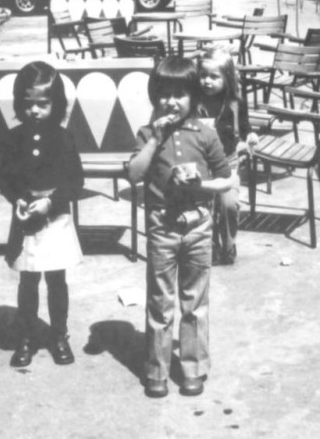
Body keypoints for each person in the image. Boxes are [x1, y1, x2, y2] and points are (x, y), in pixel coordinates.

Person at [126, 56, 233, 398]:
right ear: (154, 96)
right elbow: (133, 174)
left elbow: (226, 180)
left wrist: (201, 184)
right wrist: (155, 140)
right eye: (164, 94)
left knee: (195, 301)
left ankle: (193, 368)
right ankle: (156, 370)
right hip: (162, 224)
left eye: (180, 94)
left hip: (198, 223)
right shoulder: (147, 133)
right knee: (160, 301)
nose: (171, 102)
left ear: (194, 97)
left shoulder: (205, 133)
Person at [0, 61, 84, 368]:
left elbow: (76, 181)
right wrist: (18, 199)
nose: (34, 110)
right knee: (28, 281)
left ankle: (59, 334)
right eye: (27, 104)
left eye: (43, 104)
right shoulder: (12, 138)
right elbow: (4, 178)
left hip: (55, 216)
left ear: (56, 105)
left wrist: (52, 202)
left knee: (57, 280)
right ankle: (26, 336)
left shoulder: (64, 138)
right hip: (26, 220)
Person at [196, 46, 259, 265]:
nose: (207, 81)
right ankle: (210, 245)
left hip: (228, 162)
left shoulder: (235, 102)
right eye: (203, 75)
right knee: (205, 206)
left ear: (227, 78)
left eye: (214, 77)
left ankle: (229, 244)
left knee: (228, 205)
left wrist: (250, 135)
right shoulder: (194, 102)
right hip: (201, 164)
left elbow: (245, 126)